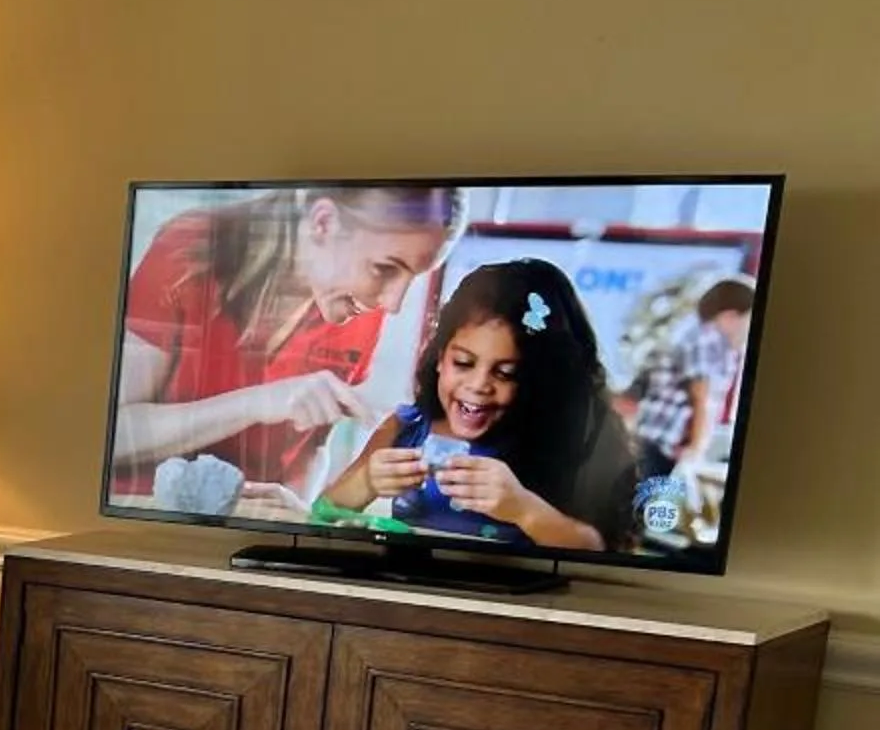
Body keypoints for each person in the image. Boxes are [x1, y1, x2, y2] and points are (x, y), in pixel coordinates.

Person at [109, 185, 465, 506]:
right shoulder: (190, 246)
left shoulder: (359, 310)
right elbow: (116, 439)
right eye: (385, 268)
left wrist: (295, 514)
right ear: (323, 222)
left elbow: (310, 449)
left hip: (249, 534)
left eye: (412, 278)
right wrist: (258, 403)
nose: (393, 303)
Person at [316, 259, 635, 553]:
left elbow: (598, 550)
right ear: (440, 357)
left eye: (505, 373)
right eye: (464, 363)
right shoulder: (405, 429)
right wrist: (366, 482)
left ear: (538, 379)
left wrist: (523, 509)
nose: (478, 385)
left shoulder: (562, 444)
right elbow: (320, 517)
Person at [629, 274, 755, 482]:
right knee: (648, 499)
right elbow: (701, 394)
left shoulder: (709, 339)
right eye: (748, 320)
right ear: (730, 317)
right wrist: (697, 447)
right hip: (659, 440)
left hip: (661, 441)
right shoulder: (707, 339)